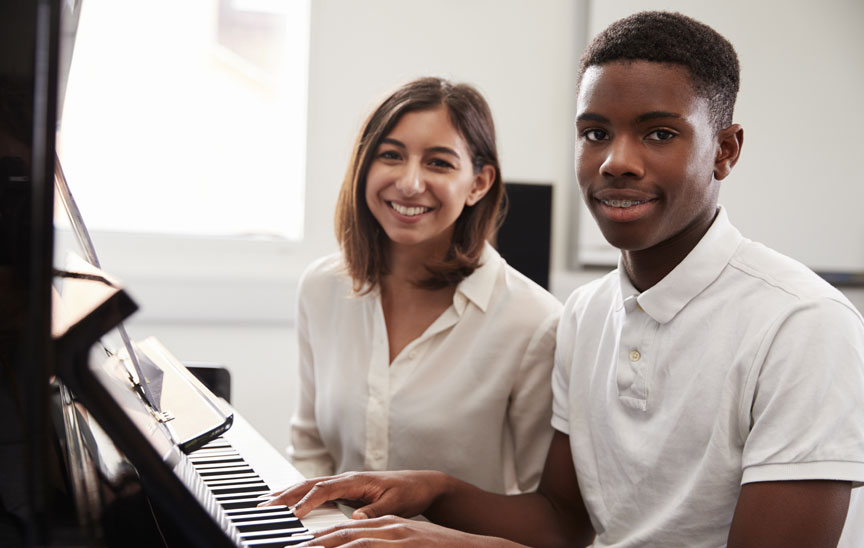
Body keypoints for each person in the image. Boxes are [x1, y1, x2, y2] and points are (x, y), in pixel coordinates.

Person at [263, 11, 864, 547]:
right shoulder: (587, 313)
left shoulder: (803, 325)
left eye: (659, 133)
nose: (616, 161)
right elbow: (560, 522)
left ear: (725, 151)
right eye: (595, 132)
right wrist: (433, 491)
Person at [287, 77, 563, 497]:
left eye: (438, 163)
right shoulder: (322, 287)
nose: (410, 182)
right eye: (391, 155)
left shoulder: (534, 322)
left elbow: (540, 510)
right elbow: (309, 451)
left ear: (479, 183)